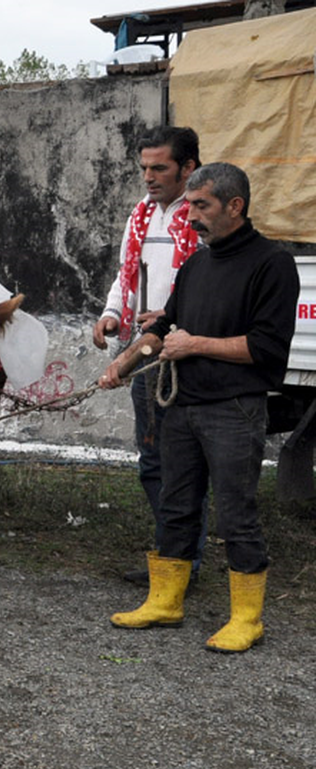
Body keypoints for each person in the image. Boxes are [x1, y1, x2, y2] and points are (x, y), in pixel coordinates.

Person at [99, 162, 300, 653]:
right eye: (188, 205)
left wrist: (196, 346)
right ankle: (166, 601)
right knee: (175, 505)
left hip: (234, 409)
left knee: (236, 514)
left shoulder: (272, 264)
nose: (189, 216)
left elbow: (266, 349)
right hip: (183, 406)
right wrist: (122, 365)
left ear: (236, 206)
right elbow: (165, 328)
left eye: (201, 205)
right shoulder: (197, 264)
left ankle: (247, 619)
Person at [92, 126, 208, 585]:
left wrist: (176, 314)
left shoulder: (202, 217)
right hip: (145, 353)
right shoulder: (140, 215)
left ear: (188, 168)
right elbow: (126, 275)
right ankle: (172, 556)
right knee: (153, 459)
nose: (149, 177)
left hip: (188, 355)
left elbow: (212, 286)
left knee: (184, 462)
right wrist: (111, 313)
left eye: (160, 167)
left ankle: (184, 562)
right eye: (144, 168)